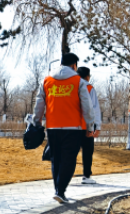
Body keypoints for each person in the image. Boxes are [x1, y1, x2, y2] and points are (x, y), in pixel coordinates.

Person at [33, 53, 95, 204]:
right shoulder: (78, 81)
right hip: (73, 127)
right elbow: (87, 106)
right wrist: (90, 125)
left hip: (52, 127)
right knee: (69, 160)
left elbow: (39, 104)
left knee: (56, 159)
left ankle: (58, 190)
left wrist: (37, 122)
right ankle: (60, 191)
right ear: (74, 65)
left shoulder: (47, 81)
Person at [77, 67, 102, 185]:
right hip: (86, 126)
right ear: (87, 76)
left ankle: (64, 176)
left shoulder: (71, 87)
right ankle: (86, 176)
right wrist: (97, 127)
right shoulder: (89, 88)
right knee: (87, 151)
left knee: (69, 152)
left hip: (71, 127)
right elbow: (94, 109)